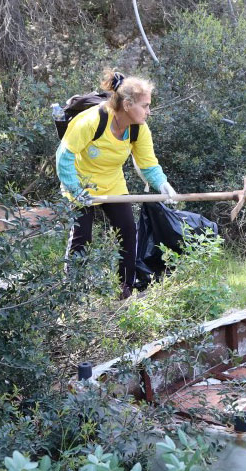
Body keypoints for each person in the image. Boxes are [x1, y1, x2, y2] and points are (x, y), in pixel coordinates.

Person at [55, 69, 177, 299]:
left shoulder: (138, 128)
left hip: (112, 183)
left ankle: (125, 293)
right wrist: (76, 191)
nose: (149, 111)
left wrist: (162, 184)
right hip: (79, 181)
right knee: (82, 237)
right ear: (128, 105)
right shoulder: (91, 120)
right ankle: (72, 294)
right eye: (145, 105)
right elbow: (64, 157)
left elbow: (147, 163)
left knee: (128, 233)